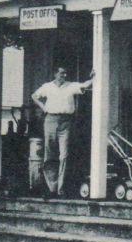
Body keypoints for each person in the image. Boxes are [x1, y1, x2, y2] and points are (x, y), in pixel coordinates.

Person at [31, 67, 94, 198]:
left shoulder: (70, 86)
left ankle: (61, 188)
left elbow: (85, 85)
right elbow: (34, 96)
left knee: (64, 155)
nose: (63, 75)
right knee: (49, 154)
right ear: (55, 74)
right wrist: (44, 107)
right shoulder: (47, 87)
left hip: (66, 122)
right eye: (61, 73)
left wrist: (93, 77)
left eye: (65, 73)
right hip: (50, 120)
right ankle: (51, 188)